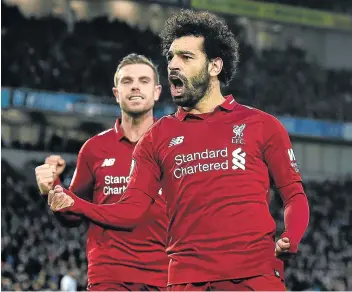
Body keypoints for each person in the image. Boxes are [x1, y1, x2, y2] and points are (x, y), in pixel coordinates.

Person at [39, 10, 310, 291]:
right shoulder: (157, 137)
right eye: (171, 56)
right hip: (186, 280)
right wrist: (75, 203)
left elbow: (294, 195)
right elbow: (130, 211)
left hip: (256, 277)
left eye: (186, 57)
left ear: (215, 66)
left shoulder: (262, 125)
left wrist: (293, 234)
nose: (173, 65)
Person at [35, 54, 169, 291]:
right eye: (127, 81)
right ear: (116, 93)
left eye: (144, 81)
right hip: (109, 277)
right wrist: (52, 188)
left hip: (165, 277)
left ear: (157, 92)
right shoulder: (93, 149)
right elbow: (71, 216)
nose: (136, 86)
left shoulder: (174, 144)